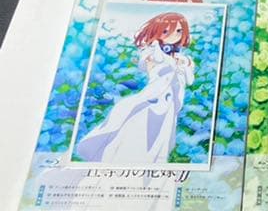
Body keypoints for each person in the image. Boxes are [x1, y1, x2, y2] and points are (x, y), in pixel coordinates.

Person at [75, 12, 195, 165]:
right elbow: (150, 66)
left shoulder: (183, 59)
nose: (173, 35)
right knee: (138, 129)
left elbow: (189, 80)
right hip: (152, 99)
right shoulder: (151, 52)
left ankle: (153, 164)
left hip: (171, 102)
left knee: (162, 136)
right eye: (166, 31)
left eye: (178, 31)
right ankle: (121, 159)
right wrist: (157, 48)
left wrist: (184, 66)